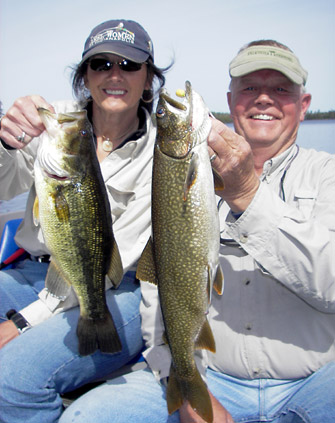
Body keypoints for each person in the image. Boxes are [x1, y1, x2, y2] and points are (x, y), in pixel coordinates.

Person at [60, 40, 335, 423]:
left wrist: (247, 195)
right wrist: (182, 378)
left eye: (281, 89)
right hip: (210, 378)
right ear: (231, 99)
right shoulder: (182, 175)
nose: (264, 100)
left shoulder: (328, 174)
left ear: (303, 106)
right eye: (251, 88)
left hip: (318, 380)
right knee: (86, 416)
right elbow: (159, 291)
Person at [0, 19, 170, 423]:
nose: (114, 75)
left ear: (147, 80)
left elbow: (111, 262)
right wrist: (7, 141)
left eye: (129, 66)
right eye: (100, 64)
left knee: (12, 379)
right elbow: (7, 184)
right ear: (85, 76)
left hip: (113, 288)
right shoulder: (55, 123)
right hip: (33, 274)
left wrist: (22, 325)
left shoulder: (161, 153)